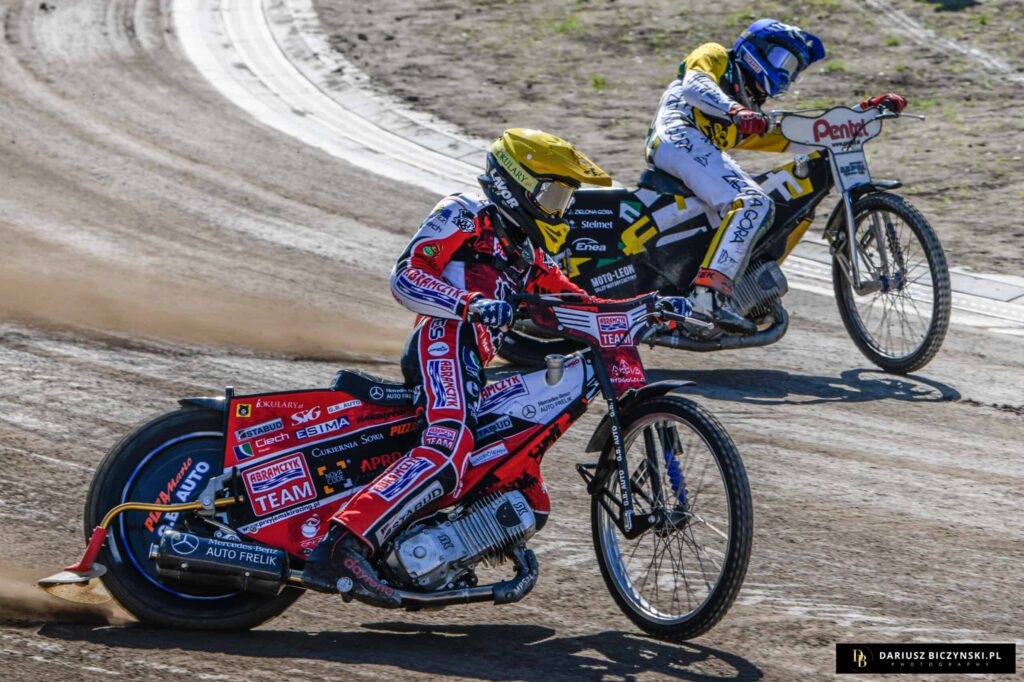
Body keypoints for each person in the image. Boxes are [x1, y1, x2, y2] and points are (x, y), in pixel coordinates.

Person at [303, 128, 683, 606]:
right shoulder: (465, 213)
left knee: (524, 491)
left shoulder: (527, 254)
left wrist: (652, 307)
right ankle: (342, 546)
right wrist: (470, 304)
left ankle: (425, 553)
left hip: (472, 363)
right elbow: (406, 277)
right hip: (443, 339)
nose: (560, 210)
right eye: (553, 195)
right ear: (515, 183)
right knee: (448, 448)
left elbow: (579, 307)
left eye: (565, 199)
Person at [646, 18, 907, 333]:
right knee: (753, 202)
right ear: (756, 50)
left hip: (697, 152)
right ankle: (705, 300)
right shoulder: (717, 56)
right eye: (783, 60)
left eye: (793, 69)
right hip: (676, 135)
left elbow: (805, 134)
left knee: (773, 207)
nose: (786, 74)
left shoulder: (750, 113)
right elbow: (694, 85)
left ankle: (740, 291)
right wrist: (736, 111)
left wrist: (862, 113)